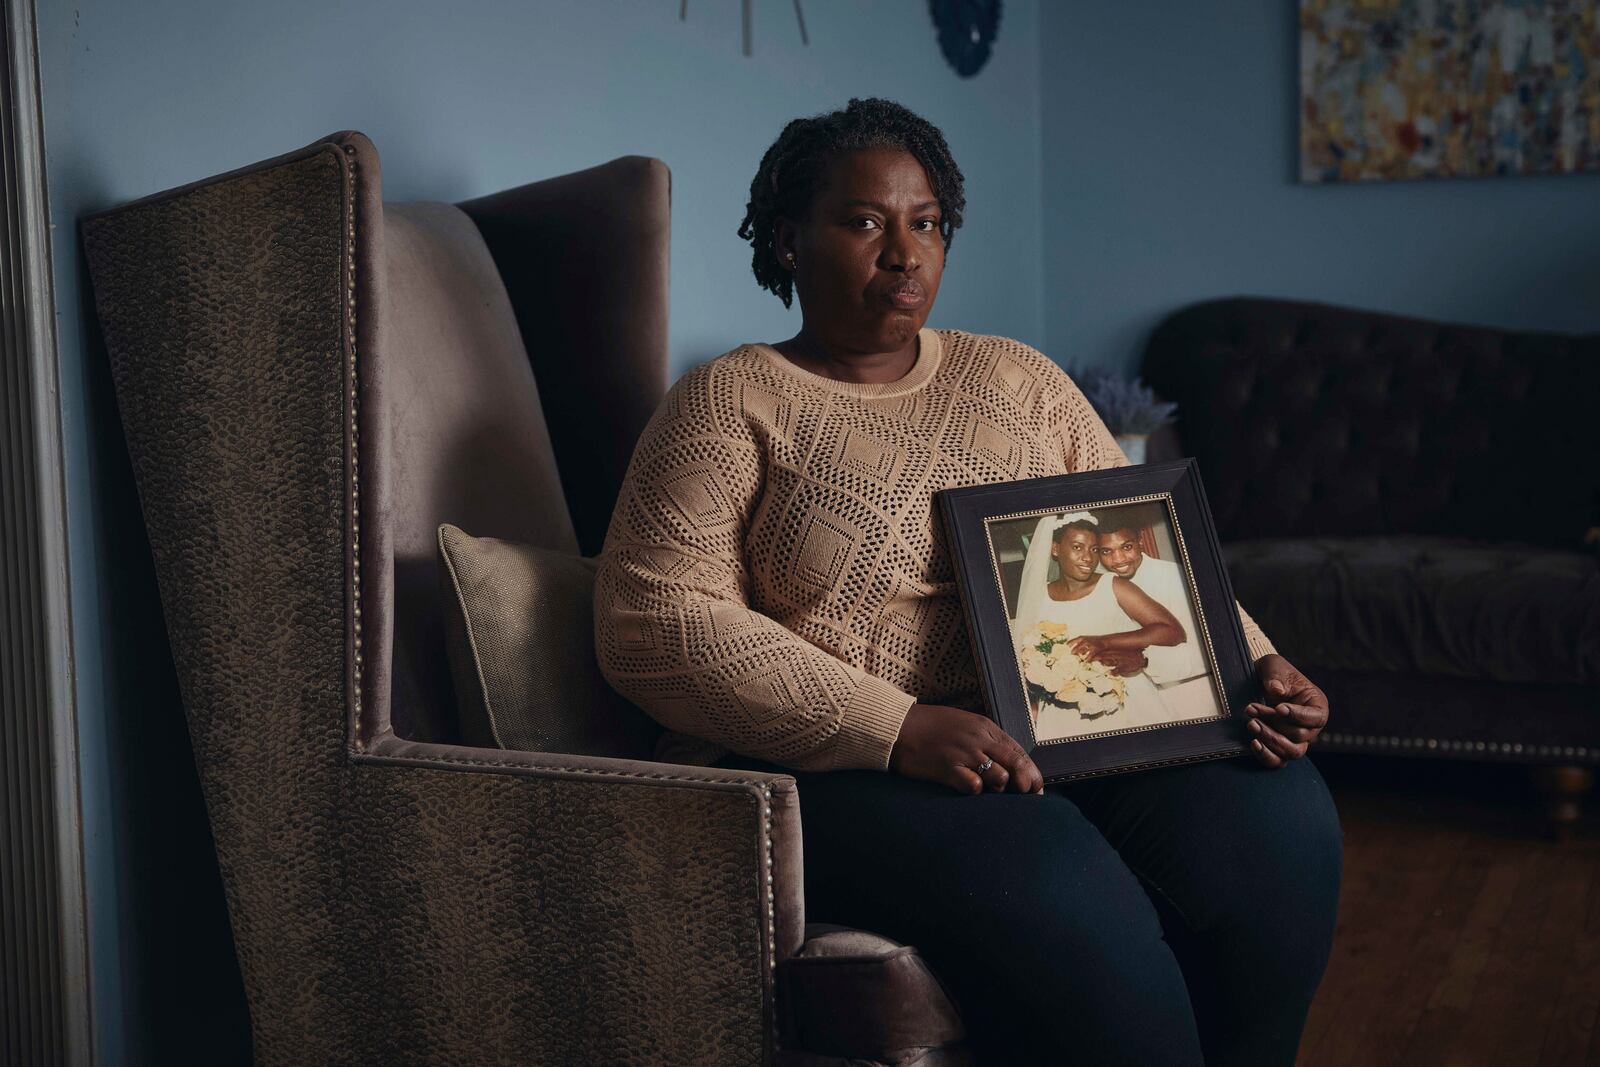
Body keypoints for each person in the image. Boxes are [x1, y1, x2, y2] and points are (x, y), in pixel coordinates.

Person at [594, 98, 1340, 1065]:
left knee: (1277, 822)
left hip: (1059, 728)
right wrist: (896, 726)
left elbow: (1143, 551)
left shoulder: (1019, 381)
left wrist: (1260, 666)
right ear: (787, 239)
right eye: (864, 221)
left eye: (927, 222)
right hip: (838, 768)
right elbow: (652, 618)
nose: (904, 252)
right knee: (1056, 877)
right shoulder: (728, 402)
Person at [1012, 512, 1183, 739]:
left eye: (1094, 550)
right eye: (1077, 547)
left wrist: (1104, 642)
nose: (1088, 558)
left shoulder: (1114, 586)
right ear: (1055, 549)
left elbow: (1172, 630)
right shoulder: (1038, 595)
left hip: (1125, 703)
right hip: (1062, 712)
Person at [1097, 515, 1222, 721]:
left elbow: (1209, 650)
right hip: (1139, 704)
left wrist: (1143, 661)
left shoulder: (1176, 577)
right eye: (1106, 552)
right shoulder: (1104, 586)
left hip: (1194, 693)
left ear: (1140, 539)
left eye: (1126, 547)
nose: (1118, 559)